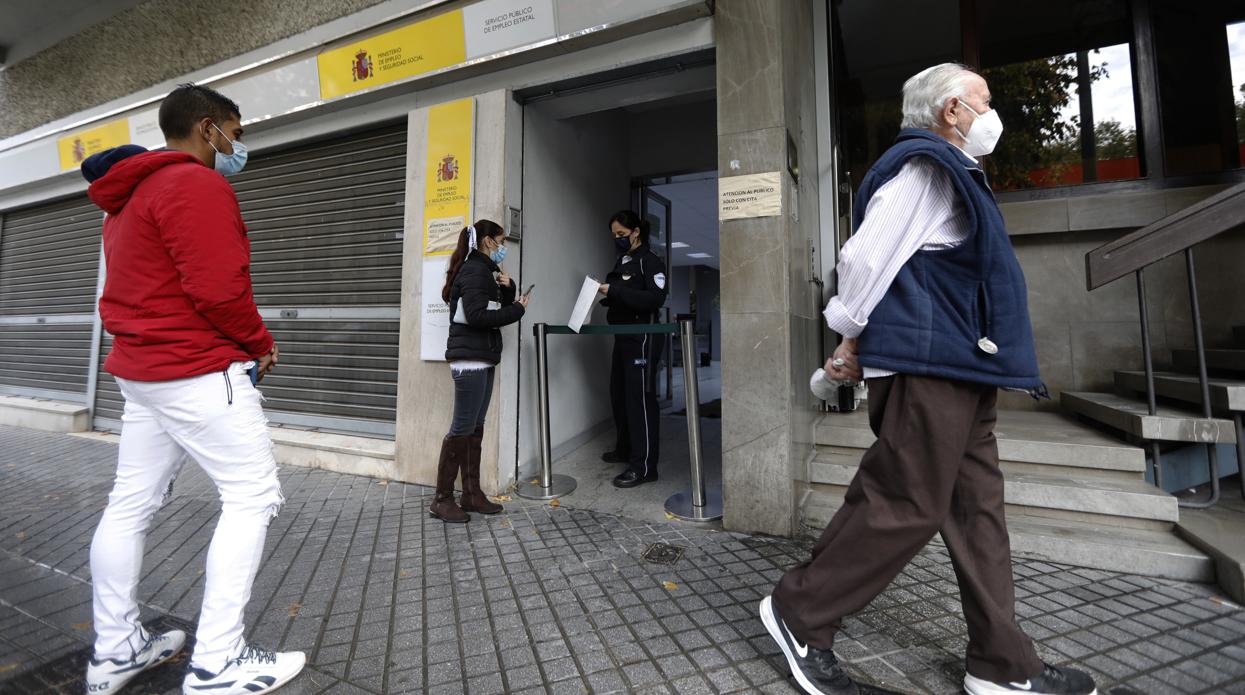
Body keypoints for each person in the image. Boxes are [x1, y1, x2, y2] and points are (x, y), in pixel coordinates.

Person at [759, 64, 1098, 695]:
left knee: (976, 513)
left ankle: (1001, 666)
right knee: (905, 503)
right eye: (984, 102)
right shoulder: (926, 169)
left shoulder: (954, 171)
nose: (992, 114)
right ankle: (798, 611)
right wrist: (848, 331)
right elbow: (864, 258)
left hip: (962, 366)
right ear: (950, 110)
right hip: (928, 367)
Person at [82, 83, 305, 695]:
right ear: (208, 128)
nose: (240, 144)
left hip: (142, 372)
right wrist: (259, 343)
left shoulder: (126, 199)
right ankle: (218, 663)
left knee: (130, 504)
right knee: (252, 495)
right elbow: (218, 289)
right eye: (238, 130)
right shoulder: (197, 184)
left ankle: (116, 649)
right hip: (196, 369)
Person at [434, 220, 528, 522]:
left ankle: (471, 494)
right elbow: (476, 316)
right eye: (501, 241)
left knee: (475, 428)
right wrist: (518, 310)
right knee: (462, 429)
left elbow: (493, 306)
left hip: (482, 357)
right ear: (488, 241)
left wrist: (509, 289)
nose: (504, 247)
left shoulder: (484, 270)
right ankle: (442, 499)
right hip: (470, 359)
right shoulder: (474, 270)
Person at [598, 210, 668, 488]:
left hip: (643, 338)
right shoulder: (624, 260)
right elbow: (624, 296)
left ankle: (644, 466)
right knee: (620, 394)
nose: (617, 239)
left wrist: (613, 291)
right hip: (623, 337)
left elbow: (654, 298)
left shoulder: (651, 262)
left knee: (640, 400)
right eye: (614, 235)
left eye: (621, 235)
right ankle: (625, 449)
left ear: (636, 232)